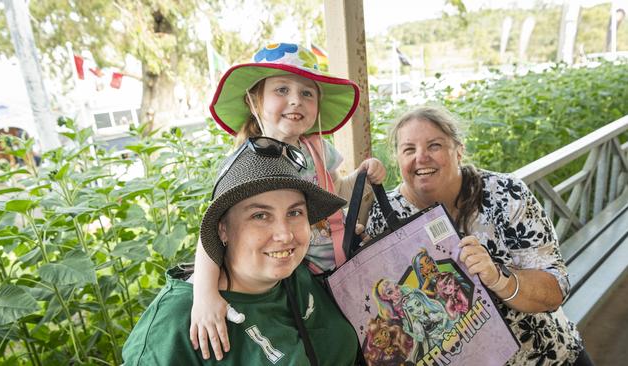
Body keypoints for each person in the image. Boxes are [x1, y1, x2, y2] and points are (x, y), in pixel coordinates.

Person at [190, 42, 386, 360]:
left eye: (307, 93)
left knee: (361, 339)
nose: (296, 99)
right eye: (282, 89)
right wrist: (205, 294)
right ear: (255, 100)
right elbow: (213, 231)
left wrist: (361, 178)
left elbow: (335, 194)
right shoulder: (250, 163)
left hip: (341, 265)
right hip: (298, 276)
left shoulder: (317, 151)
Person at [365, 105, 593, 366]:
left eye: (435, 145)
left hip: (546, 357)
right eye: (409, 149)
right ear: (397, 159)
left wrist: (499, 278)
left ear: (459, 150)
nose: (421, 157)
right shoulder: (385, 215)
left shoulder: (506, 194)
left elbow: (555, 291)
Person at [122, 141, 358, 365]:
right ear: (223, 229)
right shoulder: (176, 323)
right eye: (260, 216)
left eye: (294, 213)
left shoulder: (296, 275)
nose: (285, 235)